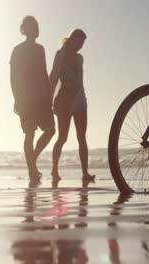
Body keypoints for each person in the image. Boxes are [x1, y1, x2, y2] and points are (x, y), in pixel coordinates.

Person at [10, 16, 55, 183]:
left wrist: (49, 95)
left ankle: (32, 159)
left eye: (36, 26)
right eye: (32, 26)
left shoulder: (40, 49)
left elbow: (44, 73)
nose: (36, 29)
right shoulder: (17, 50)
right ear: (25, 29)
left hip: (42, 97)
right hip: (25, 98)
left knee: (50, 130)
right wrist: (17, 98)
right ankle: (32, 170)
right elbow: (13, 77)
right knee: (29, 134)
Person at [49, 29, 95, 184]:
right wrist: (49, 100)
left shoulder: (80, 58)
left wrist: (82, 99)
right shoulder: (60, 54)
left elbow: (80, 82)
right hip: (64, 101)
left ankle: (85, 173)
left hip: (80, 100)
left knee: (82, 137)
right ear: (73, 39)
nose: (81, 46)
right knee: (63, 137)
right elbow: (54, 77)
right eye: (80, 42)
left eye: (83, 43)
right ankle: (54, 170)